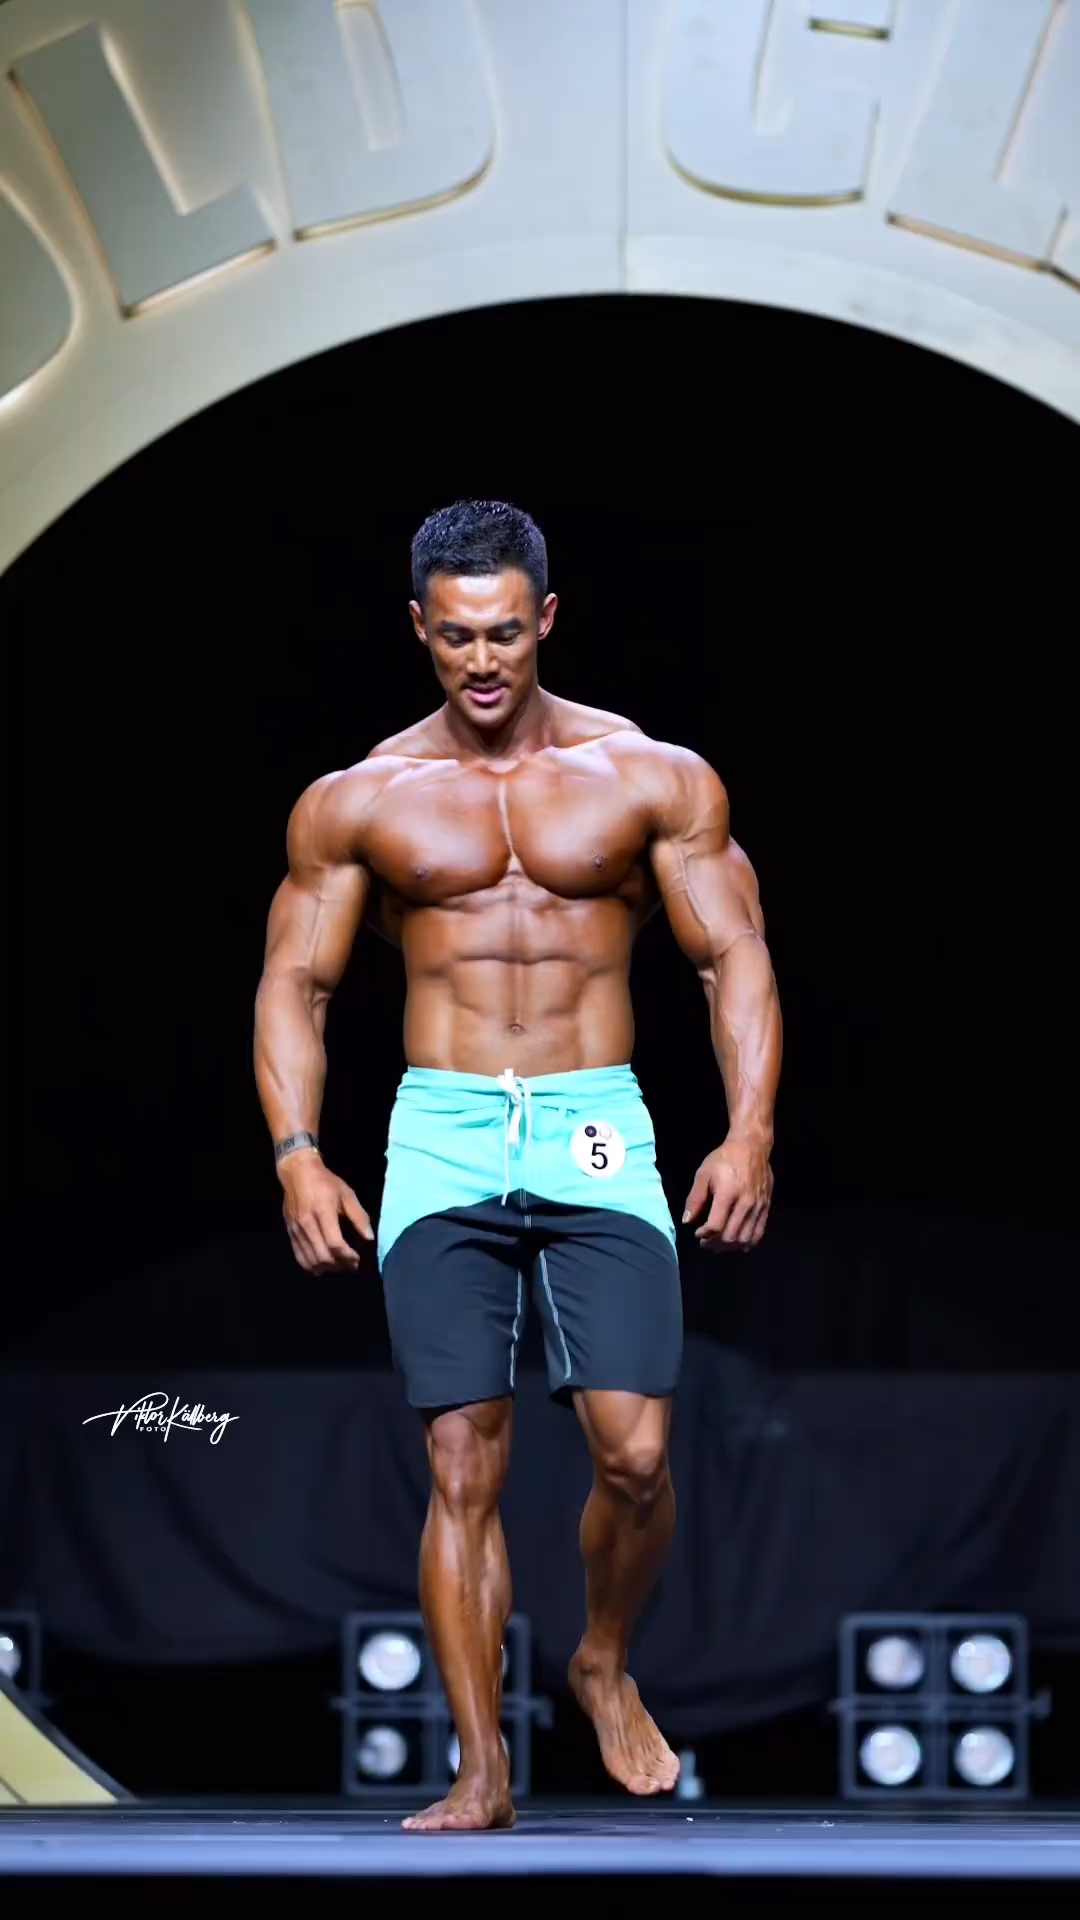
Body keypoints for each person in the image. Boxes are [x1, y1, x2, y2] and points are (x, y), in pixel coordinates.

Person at [254, 501, 781, 1832]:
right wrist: (299, 1155)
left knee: (637, 1455)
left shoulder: (648, 776)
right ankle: (482, 1767)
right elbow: (295, 986)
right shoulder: (361, 799)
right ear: (419, 629)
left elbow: (732, 956)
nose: (481, 661)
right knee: (461, 1461)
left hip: (595, 1116)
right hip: (441, 1128)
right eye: (454, 637)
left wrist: (750, 1129)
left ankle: (601, 1656)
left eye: (502, 633)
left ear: (544, 618)